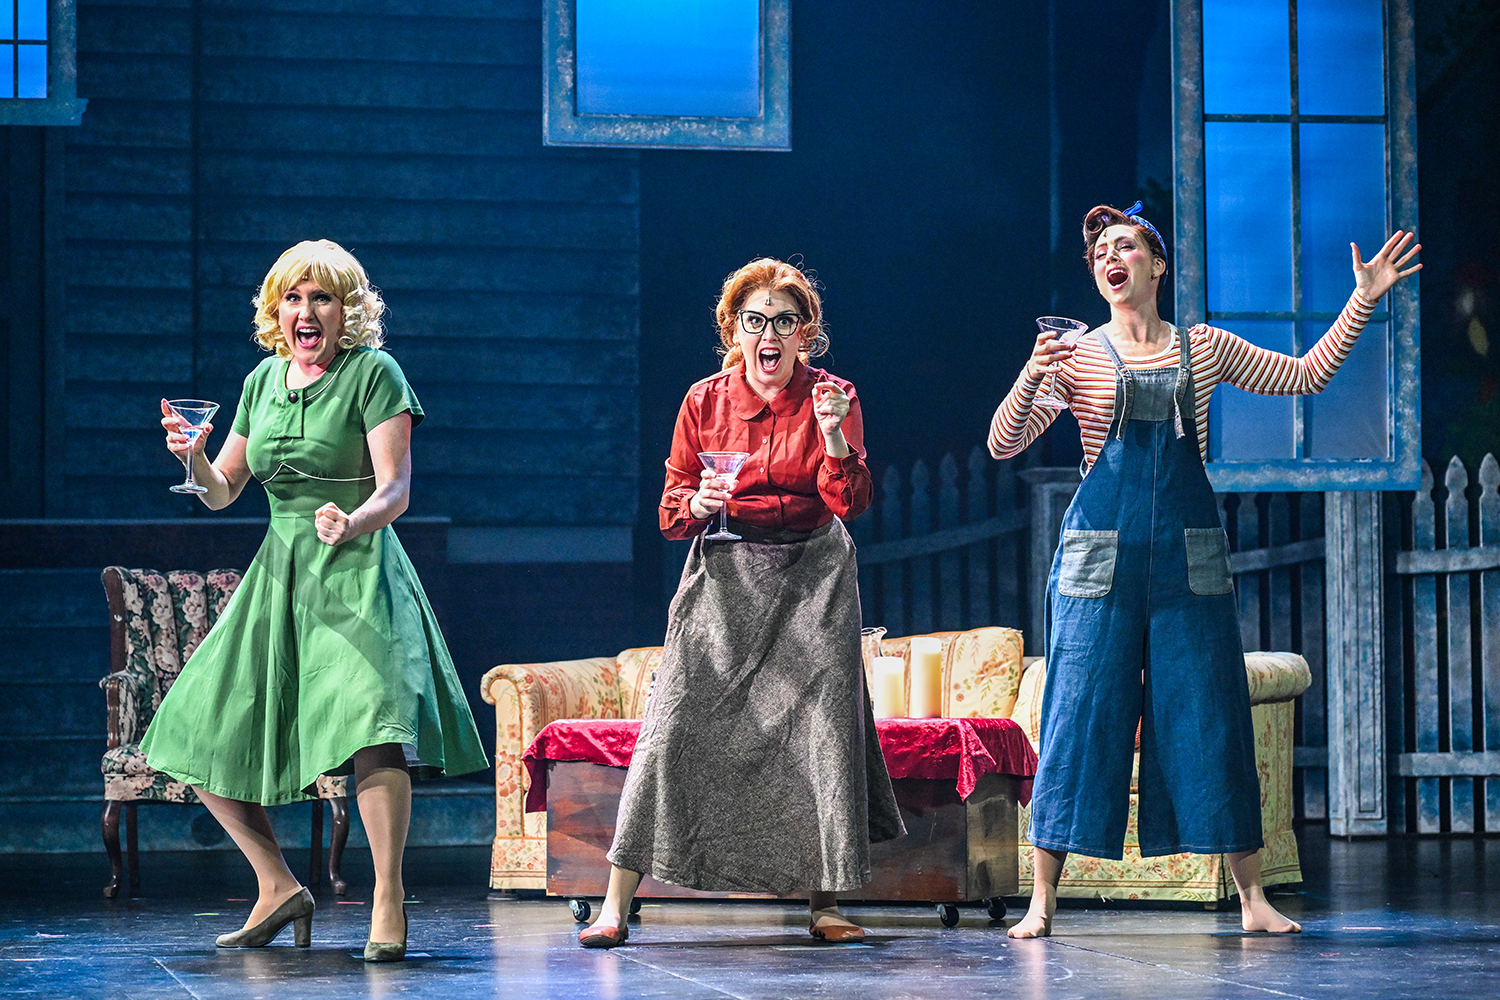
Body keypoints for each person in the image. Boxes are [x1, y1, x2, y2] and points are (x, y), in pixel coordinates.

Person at [990, 204, 1420, 938]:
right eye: (1099, 253)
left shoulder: (1204, 348)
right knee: (1077, 715)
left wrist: (1362, 299)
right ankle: (1042, 902)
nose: (1109, 259)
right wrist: (1032, 376)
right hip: (1100, 558)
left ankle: (1253, 901)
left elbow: (1307, 375)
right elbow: (1005, 443)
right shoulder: (1078, 356)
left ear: (1157, 266)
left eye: (1125, 246)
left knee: (1211, 712)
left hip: (1188, 556)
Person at [140, 239, 488, 961]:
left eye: (322, 298)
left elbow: (396, 488)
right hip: (281, 574)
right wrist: (192, 458)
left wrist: (353, 518)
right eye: (294, 298)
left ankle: (387, 897)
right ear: (277, 310)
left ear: (347, 310)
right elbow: (222, 492)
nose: (307, 311)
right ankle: (276, 885)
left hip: (359, 568)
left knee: (371, 727)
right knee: (191, 728)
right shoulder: (262, 380)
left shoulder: (373, 373)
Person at [577, 258, 905, 949]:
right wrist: (696, 502)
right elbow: (671, 511)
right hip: (725, 568)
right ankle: (615, 901)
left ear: (805, 335)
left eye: (785, 323)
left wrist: (838, 434)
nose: (770, 336)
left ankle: (825, 903)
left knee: (823, 728)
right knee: (675, 720)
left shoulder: (833, 396)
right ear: (735, 328)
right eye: (756, 321)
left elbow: (851, 503)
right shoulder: (705, 401)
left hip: (814, 572)